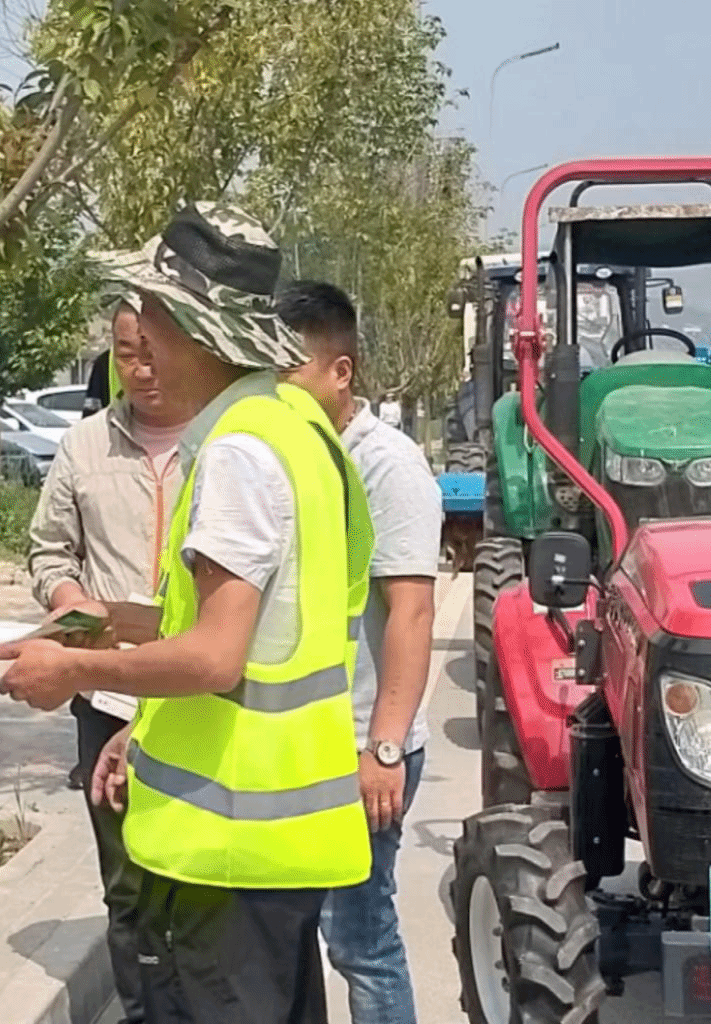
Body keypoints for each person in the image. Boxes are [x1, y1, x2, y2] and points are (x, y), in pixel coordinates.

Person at [0, 203, 374, 1024]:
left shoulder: (240, 452)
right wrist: (135, 696)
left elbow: (215, 657)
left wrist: (73, 669)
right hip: (275, 845)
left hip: (228, 848)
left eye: (152, 312)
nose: (141, 340)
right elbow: (266, 630)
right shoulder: (298, 428)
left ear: (192, 328)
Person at [279, 281, 441, 1024]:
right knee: (291, 932)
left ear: (340, 372)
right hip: (301, 741)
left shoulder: (386, 466)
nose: (278, 389)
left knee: (360, 937)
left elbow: (411, 611)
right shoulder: (289, 455)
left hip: (362, 745)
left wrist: (384, 747)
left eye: (291, 370)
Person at [28, 299, 190, 1024]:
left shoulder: (225, 443)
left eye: (155, 351)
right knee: (126, 886)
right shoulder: (84, 447)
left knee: (198, 885)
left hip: (197, 691)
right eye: (128, 354)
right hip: (107, 694)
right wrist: (73, 601)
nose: (143, 369)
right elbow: (49, 550)